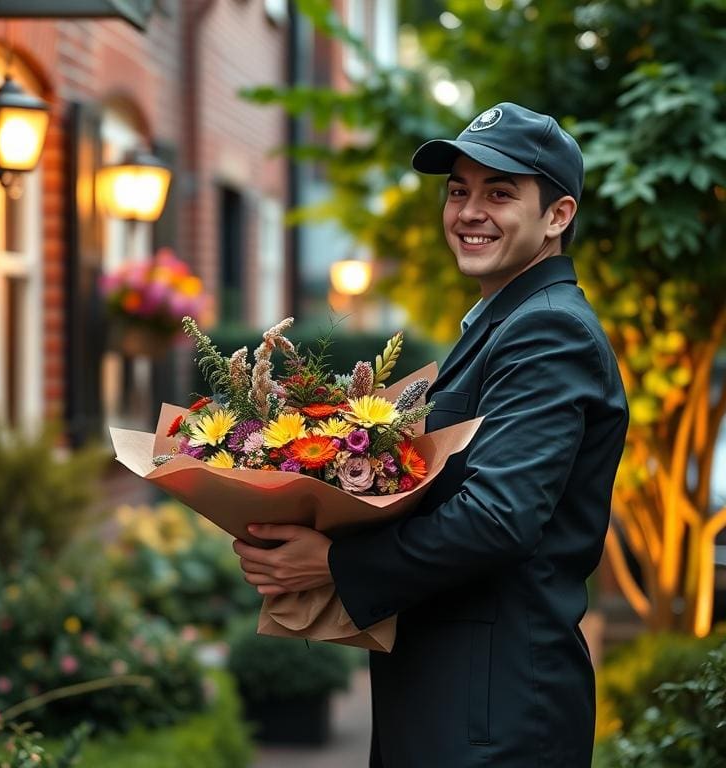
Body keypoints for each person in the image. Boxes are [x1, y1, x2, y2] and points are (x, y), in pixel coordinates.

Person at [233, 102, 630, 767]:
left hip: (494, 714)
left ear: (558, 216)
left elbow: (499, 519)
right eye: (457, 191)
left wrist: (332, 564)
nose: (468, 211)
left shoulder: (547, 330)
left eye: (499, 193)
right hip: (450, 699)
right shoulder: (504, 321)